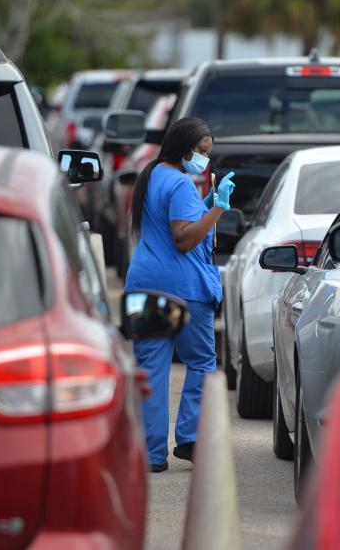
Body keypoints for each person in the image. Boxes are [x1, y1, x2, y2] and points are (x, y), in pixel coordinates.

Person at [124, 116, 236, 472]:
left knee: (151, 368)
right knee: (201, 363)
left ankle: (151, 454)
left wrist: (204, 205)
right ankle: (189, 438)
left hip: (145, 286)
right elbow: (184, 238)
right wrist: (218, 207)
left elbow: (173, 225)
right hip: (184, 291)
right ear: (185, 147)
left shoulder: (152, 175)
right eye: (202, 151)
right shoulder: (182, 184)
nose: (205, 159)